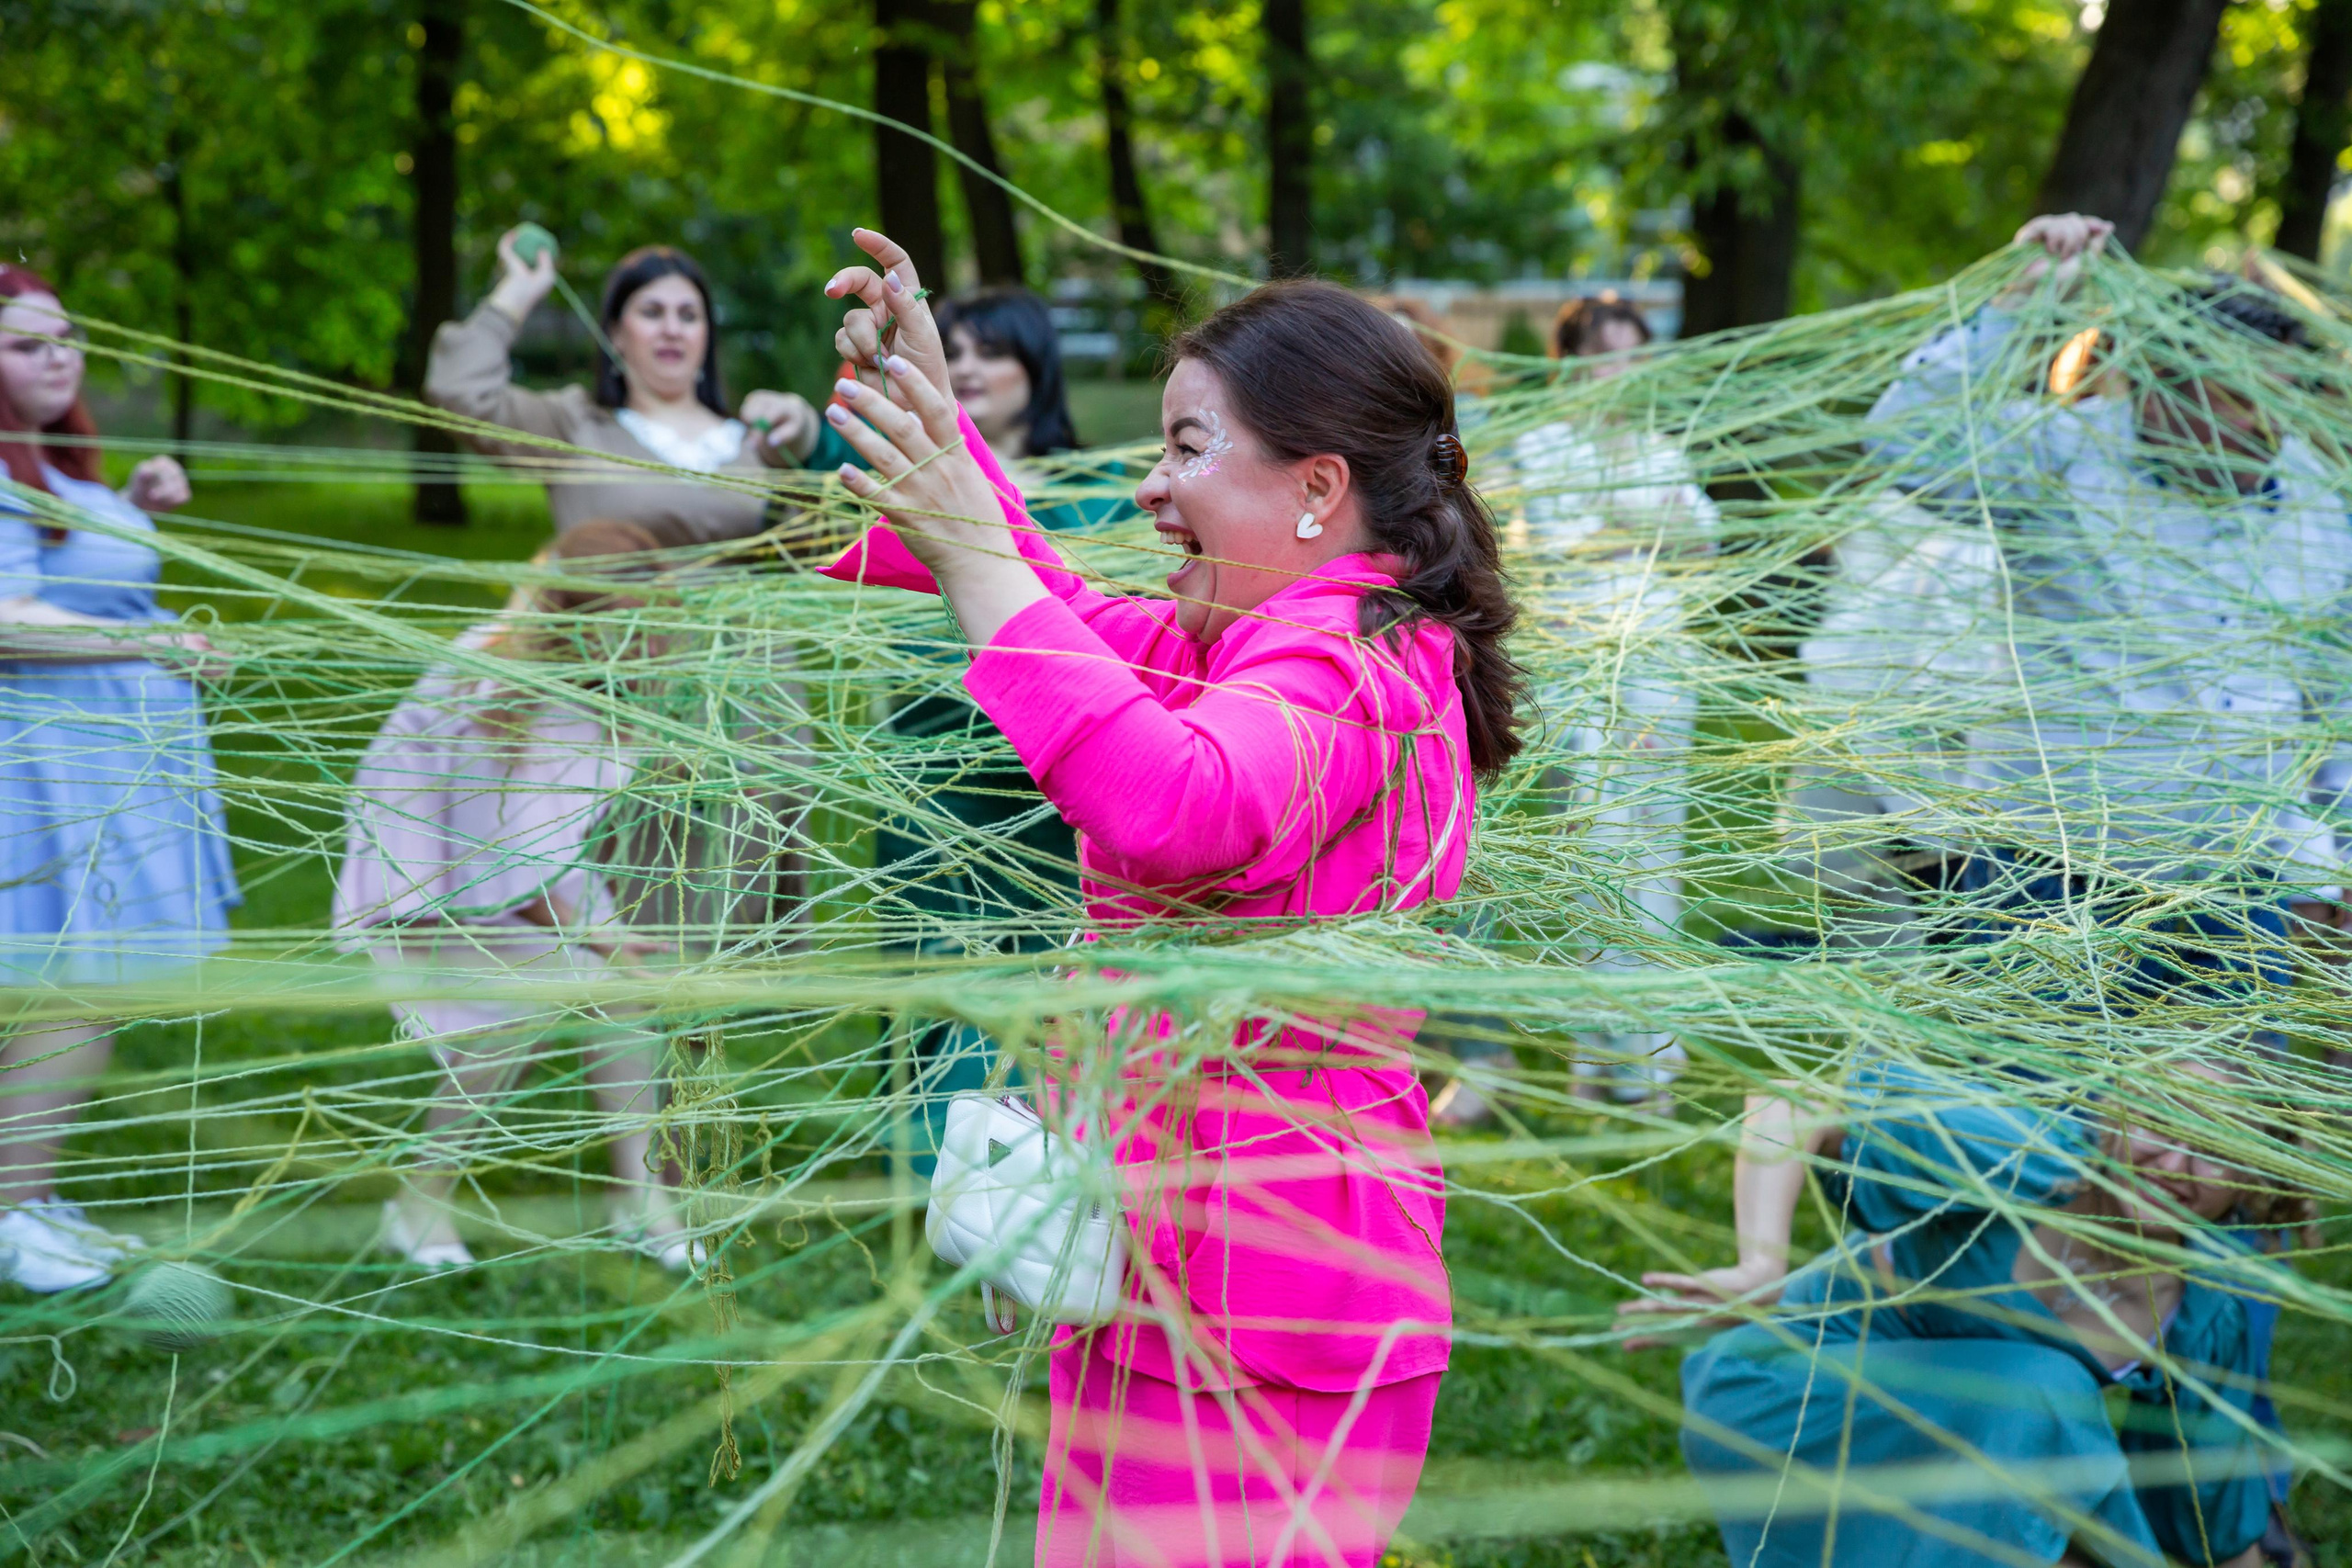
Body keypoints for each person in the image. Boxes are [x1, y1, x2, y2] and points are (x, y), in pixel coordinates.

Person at [815, 228, 1521, 1568]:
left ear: (1317, 489)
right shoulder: (1247, 635)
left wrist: (974, 559)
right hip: (1160, 1266)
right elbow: (1060, 606)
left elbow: (1175, 801)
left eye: (1189, 446)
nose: (1149, 485)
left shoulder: (1364, 665)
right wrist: (936, 425)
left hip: (1274, 1302)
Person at [1867, 213, 2348, 1037]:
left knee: (2215, 1150)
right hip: (2054, 880)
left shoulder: (2315, 505)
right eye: (2240, 396)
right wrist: (2019, 301)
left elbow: (2331, 700)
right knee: (2042, 1125)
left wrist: (2336, 850)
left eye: (2279, 397)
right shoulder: (2057, 457)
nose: (2264, 425)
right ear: (2163, 379)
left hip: (2238, 892)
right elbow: (1905, 445)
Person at [1623, 1055, 2308, 1566]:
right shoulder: (2018, 1152)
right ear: (2114, 1107)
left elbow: (2211, 1501)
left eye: (2218, 1152)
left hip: (1969, 1451)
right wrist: (1761, 1262)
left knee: (2052, 1483)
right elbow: (1797, 1096)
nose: (2178, 1163)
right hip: (1794, 1391)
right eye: (2161, 1124)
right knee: (2045, 1398)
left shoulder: (2198, 1312)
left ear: (2250, 1183)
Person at [334, 519, 686, 1271]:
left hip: (526, 871)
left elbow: (541, 839)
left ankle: (640, 1193)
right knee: (508, 1015)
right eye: (635, 626)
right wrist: (590, 935)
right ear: (581, 620)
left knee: (622, 995)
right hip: (428, 870)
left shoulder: (605, 682)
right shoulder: (492, 681)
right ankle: (418, 1202)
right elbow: (491, 862)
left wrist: (600, 940)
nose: (654, 643)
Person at [0, 266, 240, 1292]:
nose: (58, 356)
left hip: (108, 758)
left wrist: (132, 505)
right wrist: (156, 647)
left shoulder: (51, 469)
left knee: (77, 991)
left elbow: (68, 575)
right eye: (25, 344)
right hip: (53, 766)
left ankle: (27, 1193)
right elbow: (10, 618)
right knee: (77, 993)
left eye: (66, 337)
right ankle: (11, 1217)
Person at [1433, 292, 1717, 1125]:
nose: (1619, 372)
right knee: (1596, 858)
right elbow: (1549, 548)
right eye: (1605, 356)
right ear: (1573, 365)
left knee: (1655, 856)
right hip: (1583, 674)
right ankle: (1601, 1055)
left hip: (1661, 669)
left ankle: (1648, 1056)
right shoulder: (1546, 448)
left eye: (1633, 354)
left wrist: (1636, 522)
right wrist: (1636, 527)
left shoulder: (1659, 448)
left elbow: (1700, 535)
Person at [879, 288, 1124, 1151]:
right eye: (959, 350)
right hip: (934, 769)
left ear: (1038, 368)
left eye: (994, 352)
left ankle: (1037, 1147)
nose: (973, 367)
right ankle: (932, 1146)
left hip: (1048, 779)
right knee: (939, 960)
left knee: (1044, 974)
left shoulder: (1102, 495)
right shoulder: (911, 480)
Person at [425, 231, 821, 545]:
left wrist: (805, 439)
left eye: (688, 316)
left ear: (707, 336)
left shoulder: (753, 441)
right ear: (616, 334)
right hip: (614, 648)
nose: (671, 330)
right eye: (652, 313)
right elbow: (457, 391)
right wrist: (519, 288)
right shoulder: (573, 425)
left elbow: (825, 550)